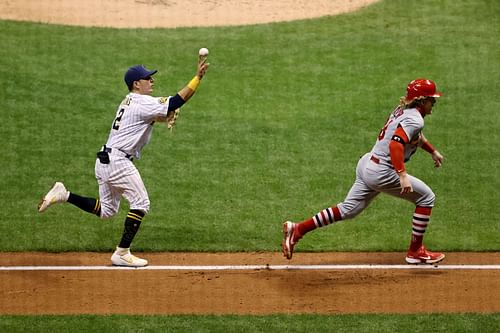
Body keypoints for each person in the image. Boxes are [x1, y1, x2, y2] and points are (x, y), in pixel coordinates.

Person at [38, 57, 209, 267]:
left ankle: (64, 194)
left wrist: (165, 117)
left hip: (106, 160)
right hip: (118, 161)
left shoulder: (130, 101)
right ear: (137, 84)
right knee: (141, 203)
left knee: (107, 210)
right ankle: (122, 253)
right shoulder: (140, 101)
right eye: (148, 78)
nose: (152, 81)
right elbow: (176, 101)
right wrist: (197, 78)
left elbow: (147, 118)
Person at [282, 79, 445, 264]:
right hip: (382, 171)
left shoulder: (403, 111)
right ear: (422, 100)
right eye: (432, 99)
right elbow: (396, 143)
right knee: (426, 198)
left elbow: (414, 136)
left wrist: (432, 151)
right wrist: (402, 175)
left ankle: (298, 229)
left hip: (367, 163)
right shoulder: (415, 119)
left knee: (349, 210)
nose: (434, 103)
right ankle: (415, 252)